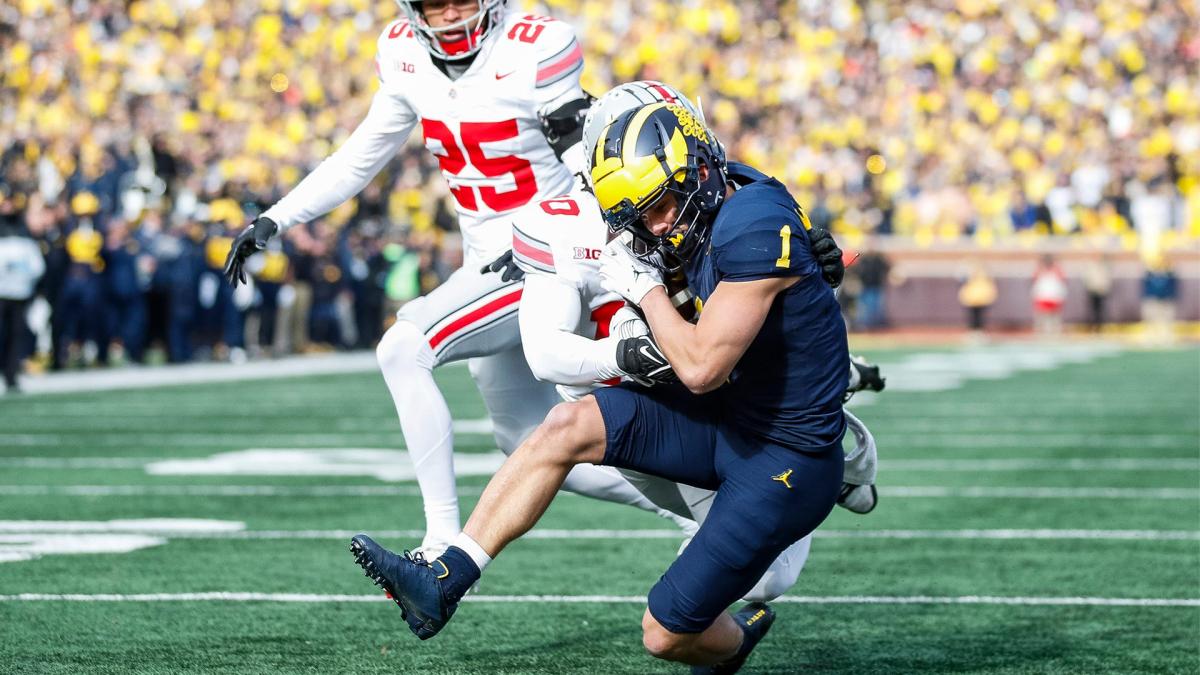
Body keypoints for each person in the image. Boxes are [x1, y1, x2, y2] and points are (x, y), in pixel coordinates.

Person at [350, 102, 853, 672]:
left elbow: (700, 366)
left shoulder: (752, 224)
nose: (658, 225)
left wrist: (646, 293)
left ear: (700, 171)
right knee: (566, 424)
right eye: (641, 216)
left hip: (783, 453)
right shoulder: (724, 194)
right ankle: (446, 576)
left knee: (665, 635)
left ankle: (737, 639)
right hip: (721, 418)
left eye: (661, 205)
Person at [223, 0, 690, 555]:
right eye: (433, 4)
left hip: (545, 259)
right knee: (521, 437)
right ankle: (697, 507)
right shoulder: (401, 53)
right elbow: (362, 153)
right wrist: (279, 216)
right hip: (486, 262)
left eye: (460, 1)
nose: (448, 15)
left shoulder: (536, 44)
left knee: (402, 348)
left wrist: (549, 237)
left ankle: (441, 541)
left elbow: (584, 162)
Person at [0, 217, 46, 393]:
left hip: (17, 295)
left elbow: (36, 269)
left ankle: (11, 374)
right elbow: (37, 269)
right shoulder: (24, 245)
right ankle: (10, 374)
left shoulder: (25, 245)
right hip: (14, 294)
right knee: (12, 335)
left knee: (15, 335)